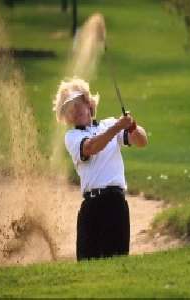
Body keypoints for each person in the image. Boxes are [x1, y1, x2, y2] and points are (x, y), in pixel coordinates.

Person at [53, 77, 148, 261]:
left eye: (76, 103)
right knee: (87, 267)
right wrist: (118, 127)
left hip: (116, 205)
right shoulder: (72, 136)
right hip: (91, 208)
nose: (74, 110)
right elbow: (91, 148)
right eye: (68, 108)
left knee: (117, 263)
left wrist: (132, 125)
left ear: (88, 102)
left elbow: (142, 141)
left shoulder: (109, 124)